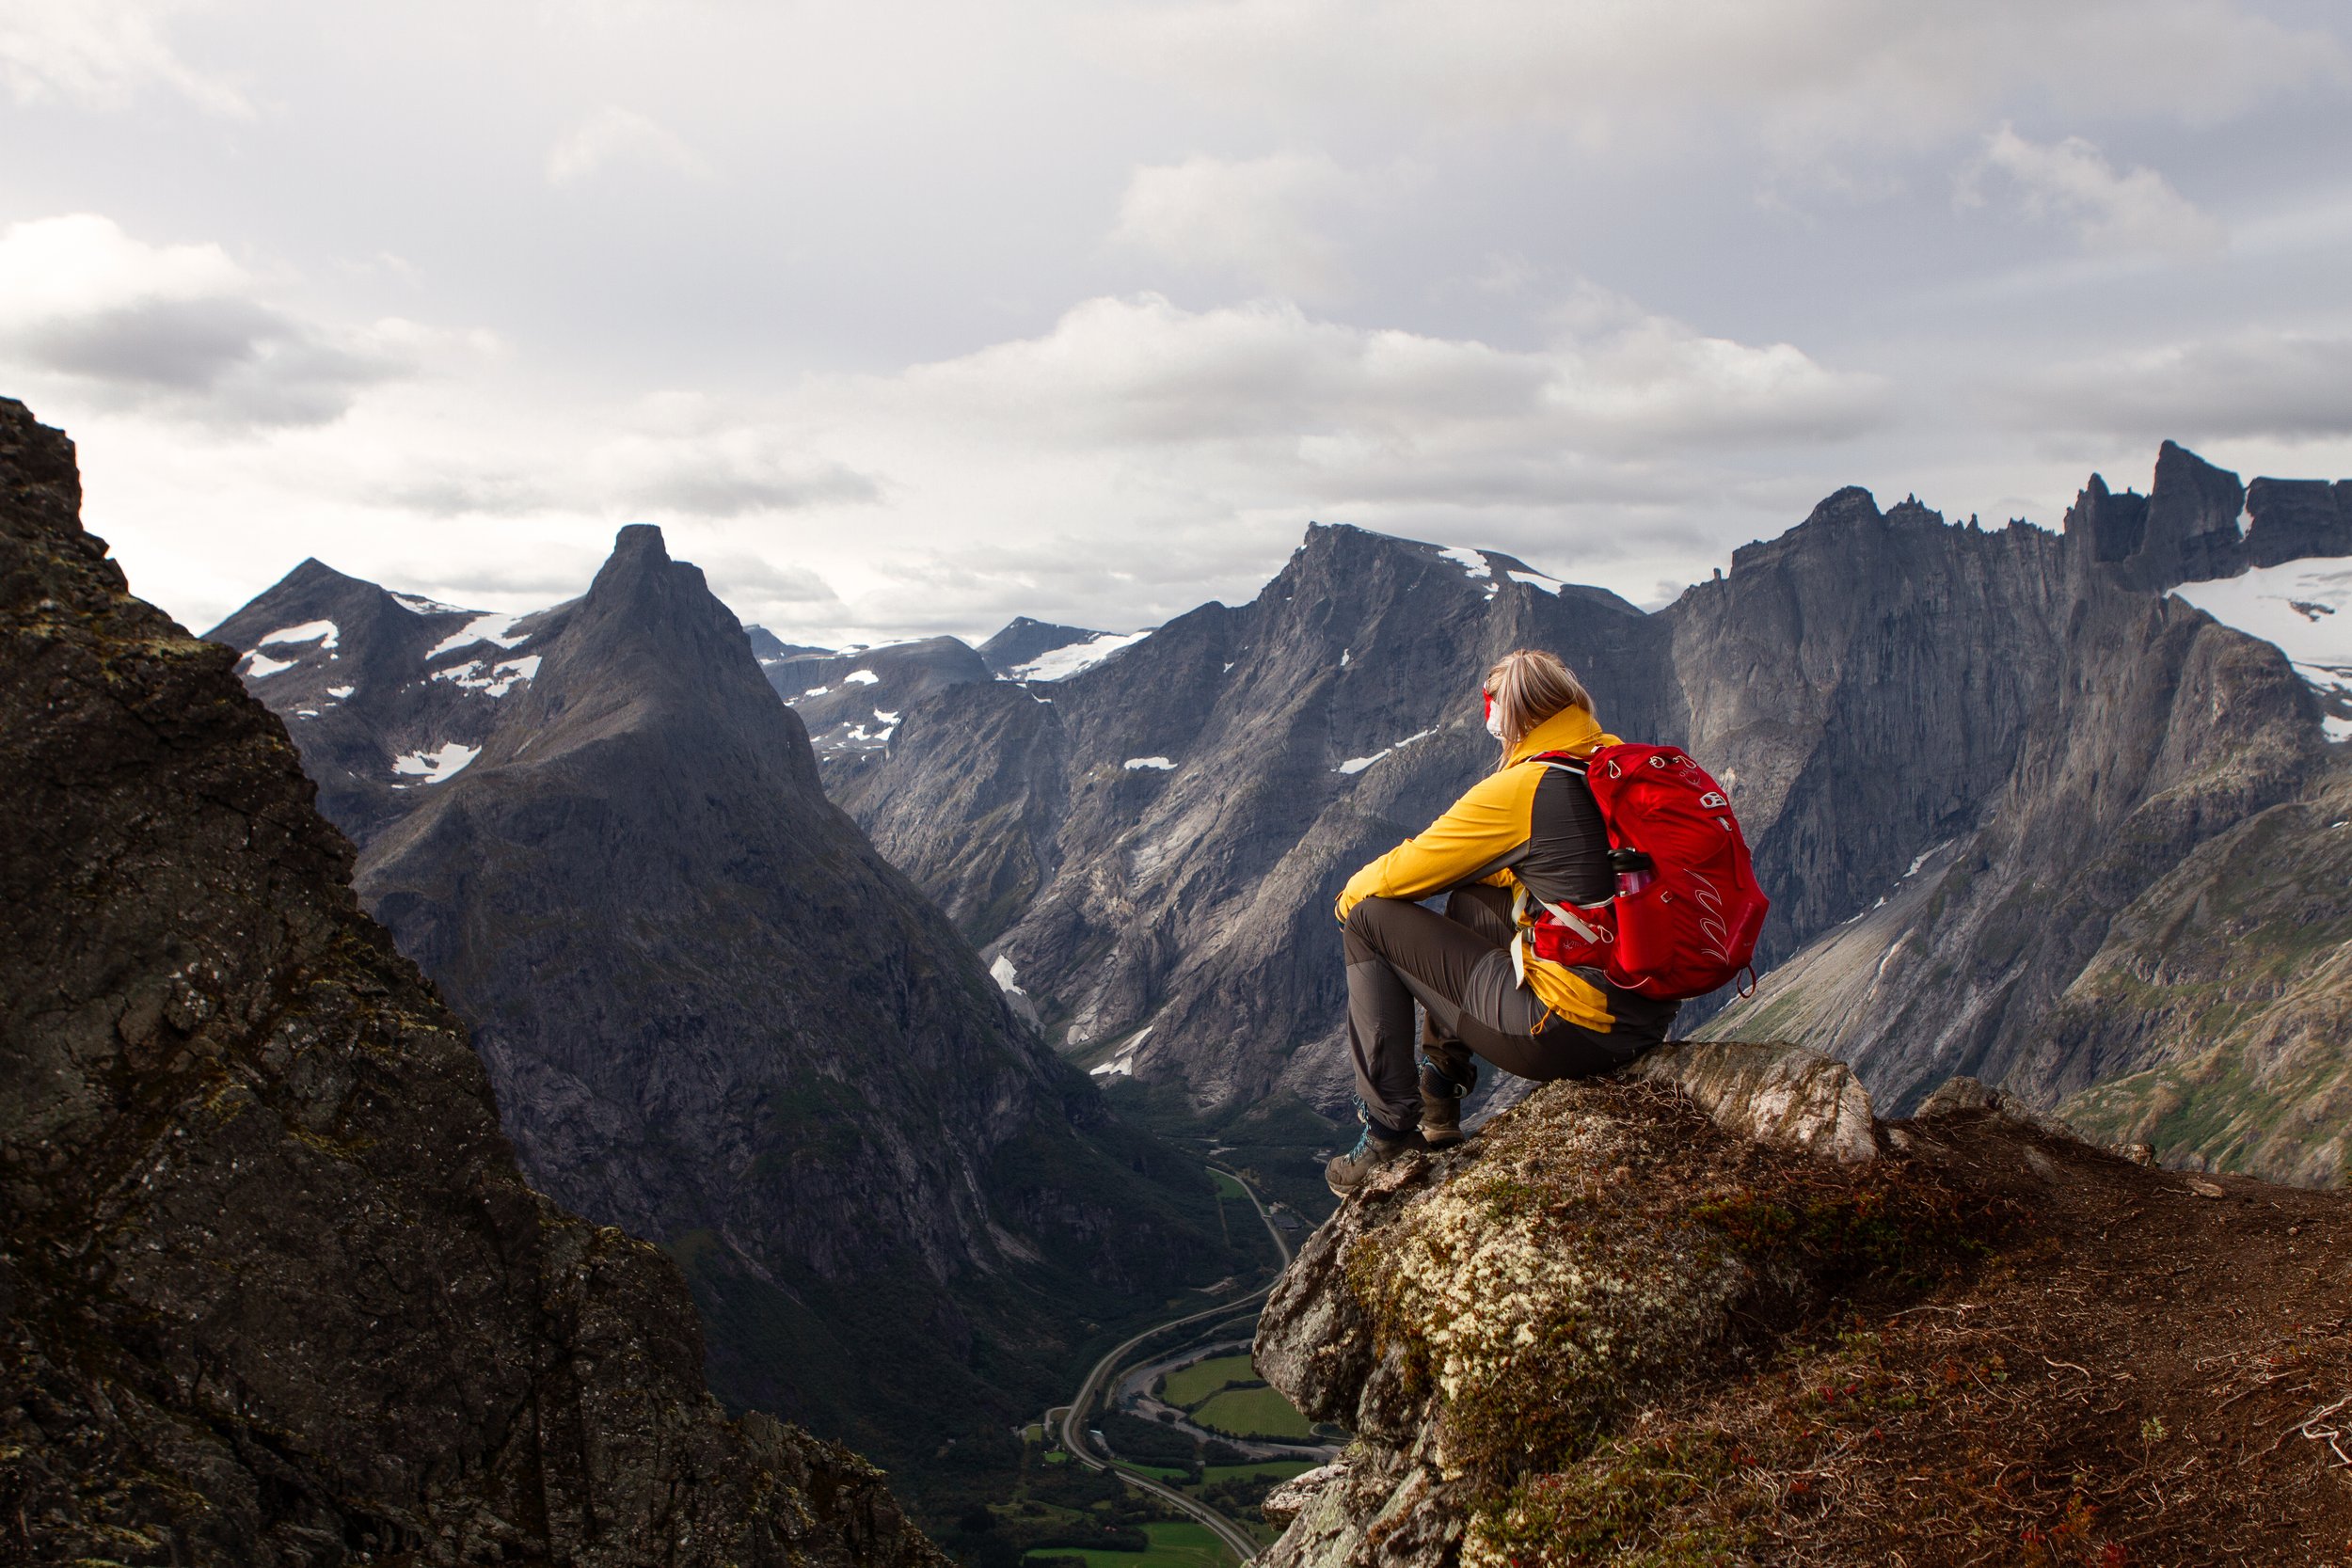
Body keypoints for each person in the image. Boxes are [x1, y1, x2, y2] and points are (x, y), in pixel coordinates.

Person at [1326, 647, 1677, 1196]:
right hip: (1641, 1015)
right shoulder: (1610, 766)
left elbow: (1407, 869)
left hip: (1569, 1032)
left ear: (1508, 716)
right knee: (1474, 899)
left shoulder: (1525, 788)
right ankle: (1439, 1094)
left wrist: (1346, 900)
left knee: (1368, 920)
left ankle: (1388, 1135)